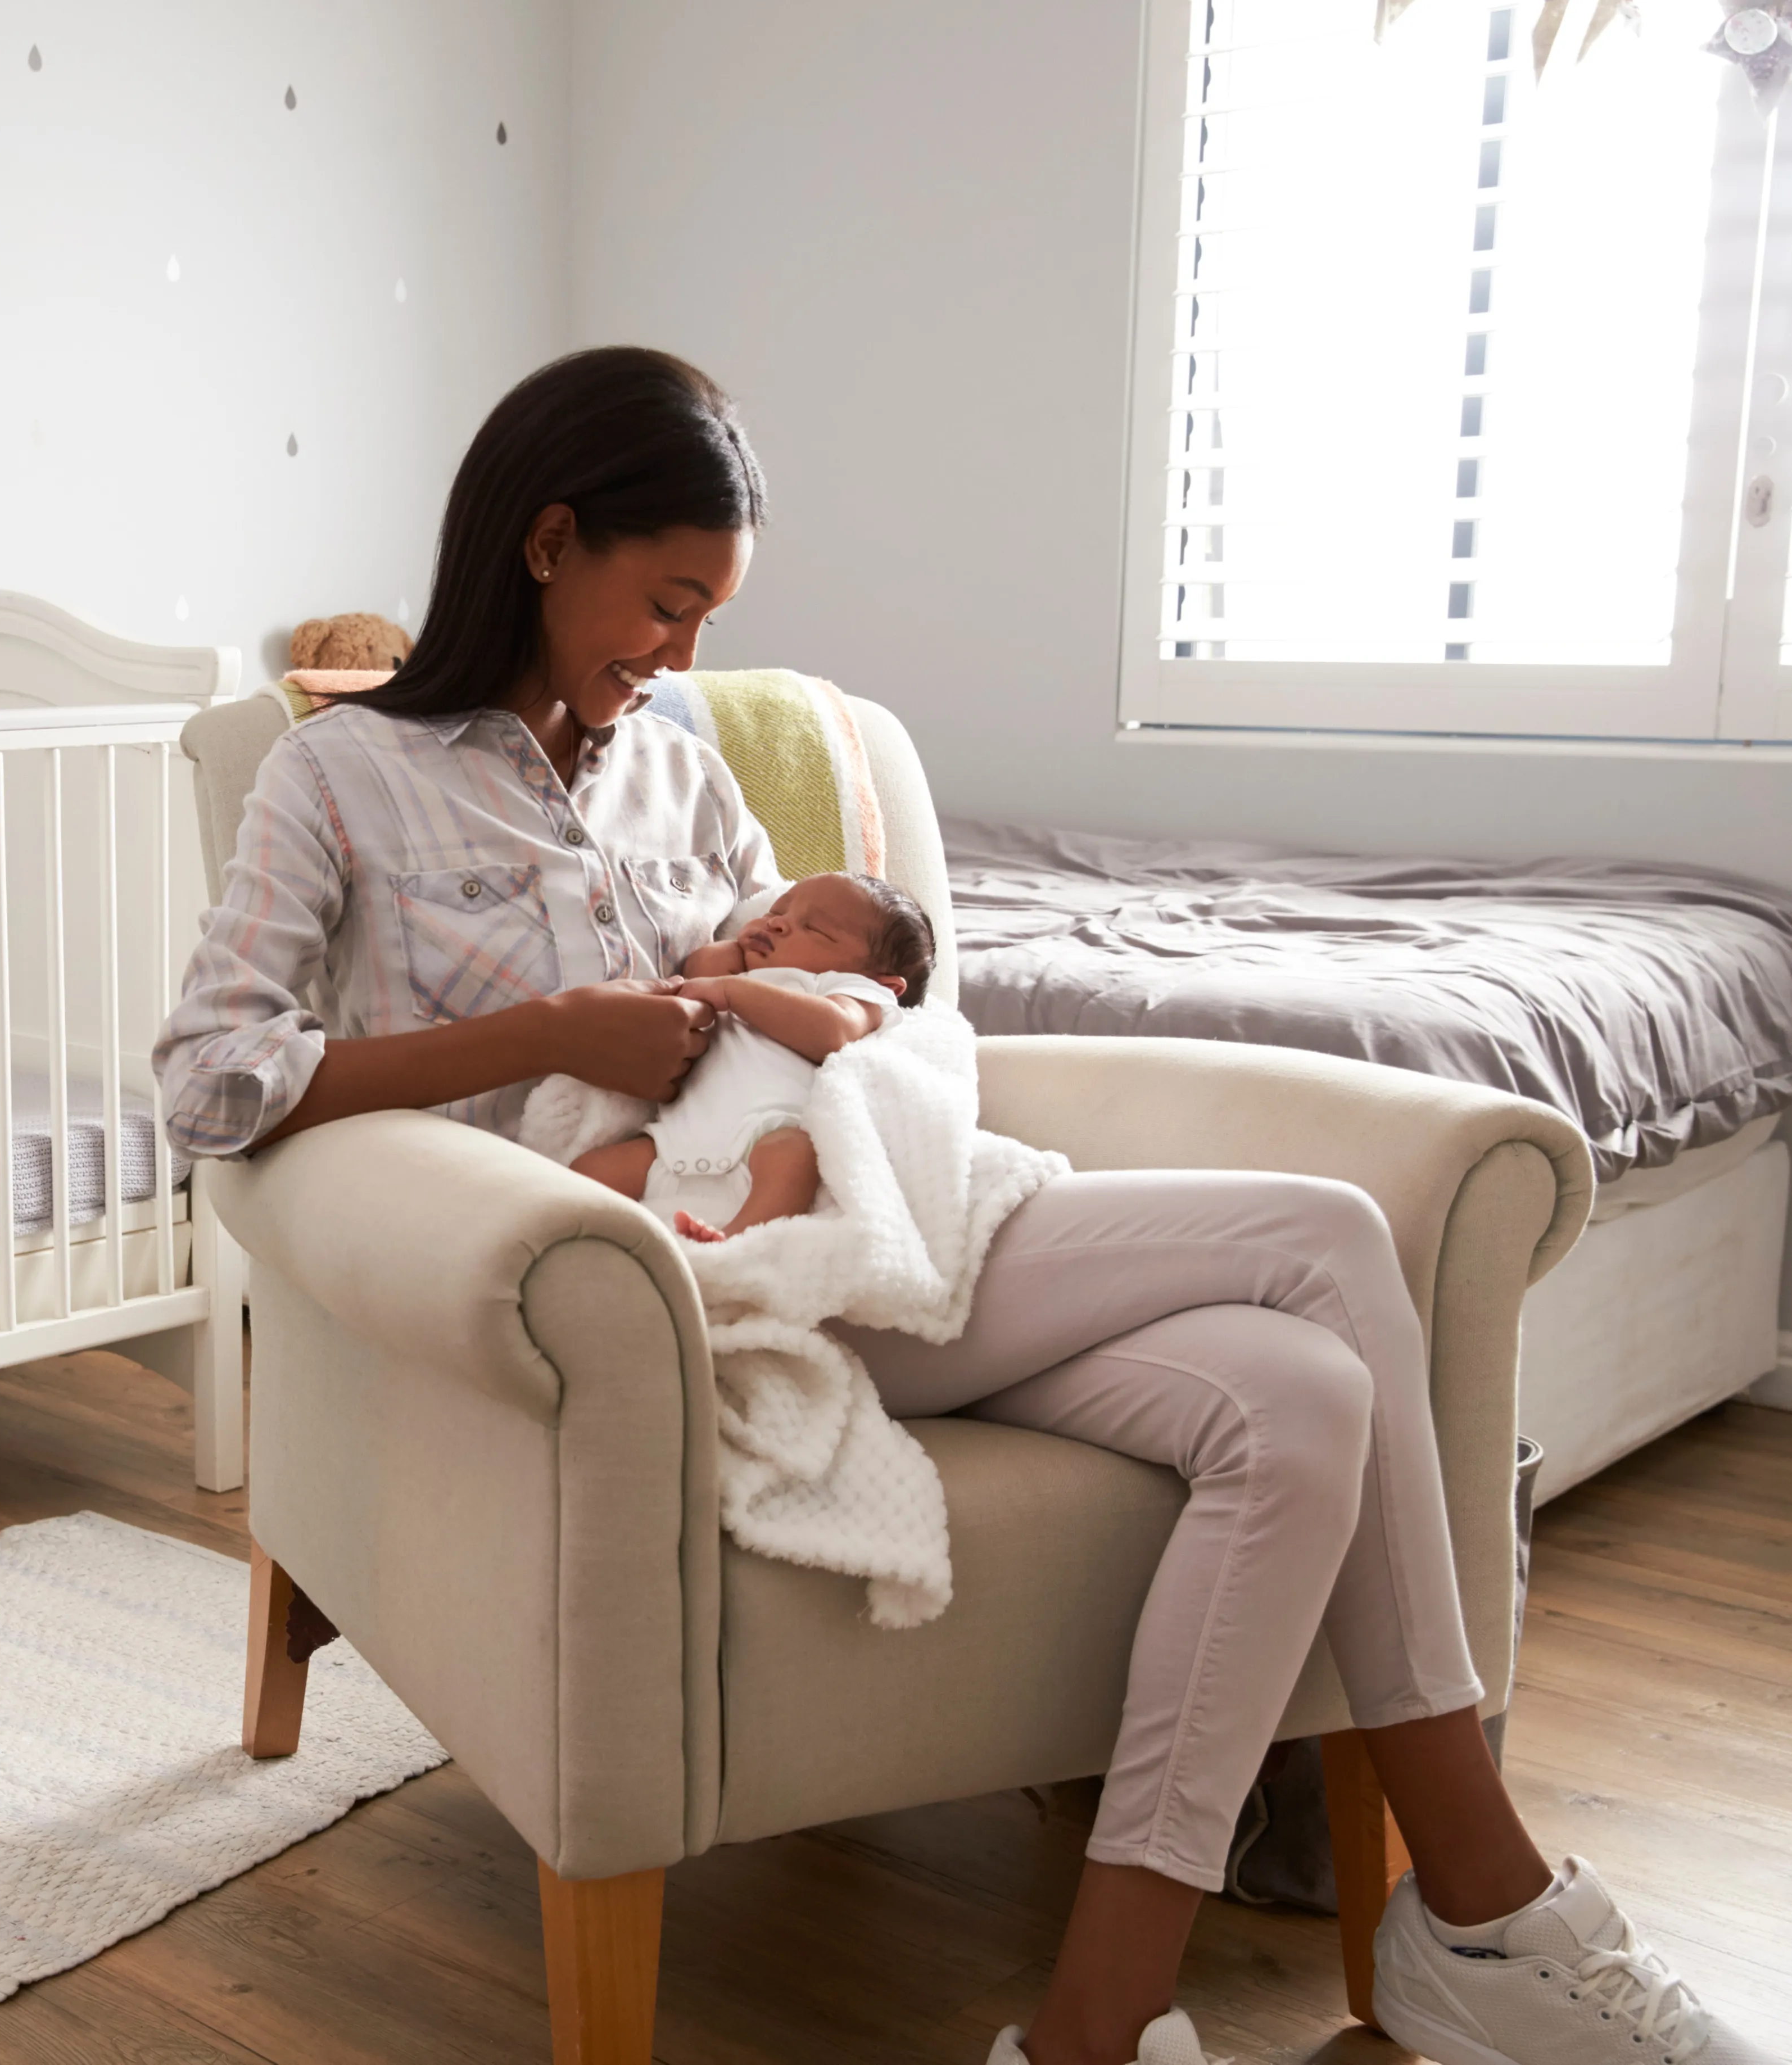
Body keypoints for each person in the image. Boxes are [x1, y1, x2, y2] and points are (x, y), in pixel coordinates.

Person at [151, 345, 1771, 2065]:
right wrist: (546, 1032)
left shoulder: (679, 775)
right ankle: (1483, 1895)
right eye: (666, 600)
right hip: (671, 1297)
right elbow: (210, 1075)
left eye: (709, 615)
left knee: (1298, 1398)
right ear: (546, 543)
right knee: (1324, 1238)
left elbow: (869, 1001)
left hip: (862, 1236)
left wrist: (806, 1005)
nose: (683, 657)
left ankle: (1091, 2023)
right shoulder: (338, 781)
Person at [568, 871, 934, 1241]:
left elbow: (836, 1031)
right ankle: (576, 1241)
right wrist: (735, 951)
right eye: (776, 913)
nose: (776, 925)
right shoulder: (742, 975)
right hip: (673, 1144)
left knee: (795, 1156)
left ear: (883, 984)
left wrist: (734, 990)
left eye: (814, 928)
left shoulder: (847, 992)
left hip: (766, 1139)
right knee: (589, 1170)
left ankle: (738, 1241)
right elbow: (700, 973)